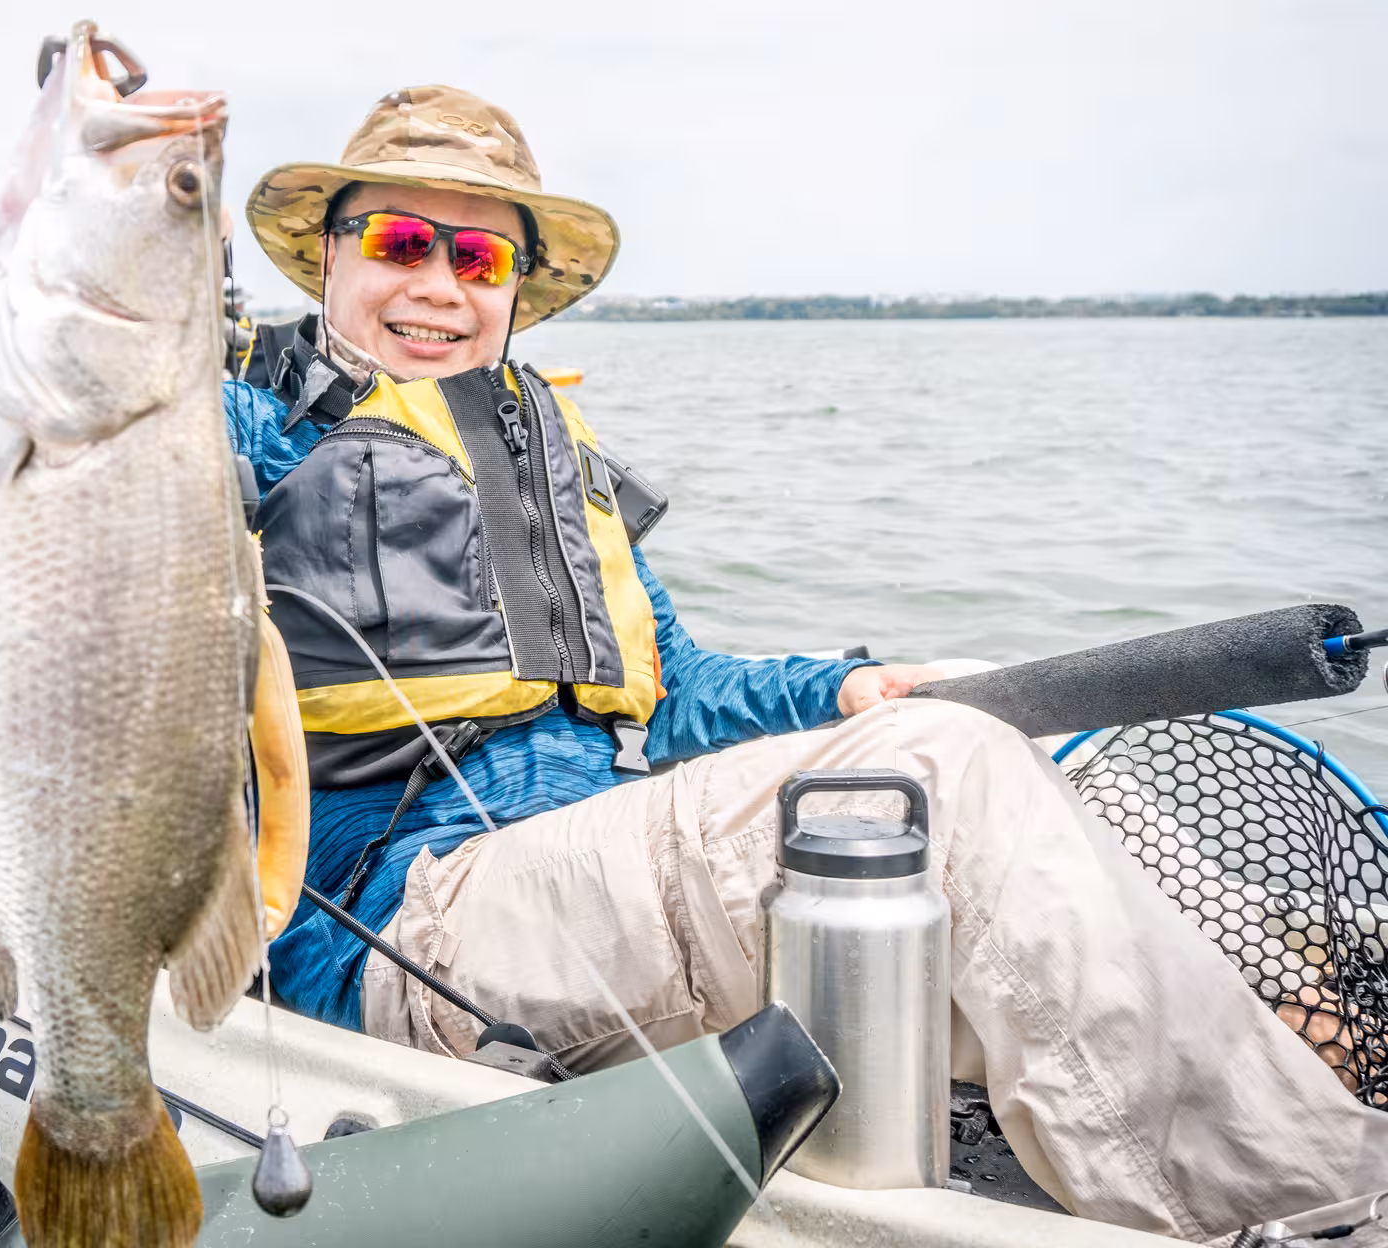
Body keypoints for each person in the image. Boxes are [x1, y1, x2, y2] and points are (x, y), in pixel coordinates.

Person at [225, 85, 1388, 1240]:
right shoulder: (238, 420)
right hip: (405, 929)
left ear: (516, 286)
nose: (438, 282)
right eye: (398, 240)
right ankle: (1324, 1209)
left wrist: (847, 689)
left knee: (1015, 739)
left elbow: (678, 689)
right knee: (942, 771)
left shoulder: (551, 464)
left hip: (596, 863)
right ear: (326, 257)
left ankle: (1289, 1056)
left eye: (477, 254)